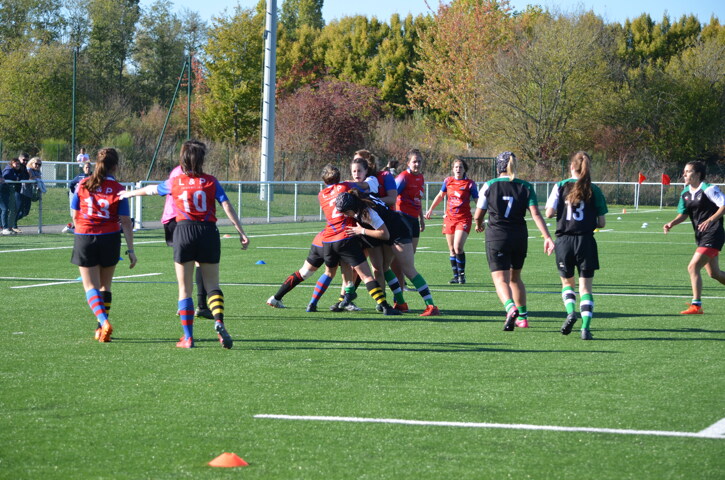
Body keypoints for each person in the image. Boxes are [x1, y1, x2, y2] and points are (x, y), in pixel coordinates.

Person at [120, 140, 249, 349]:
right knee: (213, 285)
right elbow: (226, 205)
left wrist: (130, 193)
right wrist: (241, 232)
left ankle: (188, 338)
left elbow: (152, 190)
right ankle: (219, 322)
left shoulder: (175, 181)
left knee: (184, 289)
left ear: (182, 159)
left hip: (184, 232)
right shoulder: (211, 181)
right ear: (202, 160)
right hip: (208, 232)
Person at [301, 164, 399, 315]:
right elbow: (365, 187)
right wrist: (371, 180)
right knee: (366, 274)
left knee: (332, 272)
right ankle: (385, 306)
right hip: (345, 236)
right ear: (340, 178)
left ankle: (313, 303)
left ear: (324, 181)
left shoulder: (321, 195)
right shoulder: (345, 187)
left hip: (328, 239)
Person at [474, 151, 555, 331]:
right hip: (519, 237)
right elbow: (535, 213)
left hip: (497, 236)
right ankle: (523, 318)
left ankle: (510, 308)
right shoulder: (525, 186)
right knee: (515, 278)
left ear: (498, 167)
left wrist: (478, 225)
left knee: (500, 279)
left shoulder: (489, 185)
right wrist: (547, 237)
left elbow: (479, 214)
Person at [337, 190, 441, 316]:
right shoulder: (359, 201)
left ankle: (431, 306)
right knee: (385, 268)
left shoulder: (366, 213)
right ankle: (401, 304)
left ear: (353, 207)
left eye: (347, 212)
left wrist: (362, 231)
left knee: (408, 270)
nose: (346, 216)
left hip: (398, 231)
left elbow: (384, 234)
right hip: (391, 229)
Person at [71, 148, 137, 342]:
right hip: (109, 238)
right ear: (115, 166)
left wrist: (82, 229)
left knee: (89, 286)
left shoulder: (83, 183)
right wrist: (131, 250)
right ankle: (101, 327)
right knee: (105, 286)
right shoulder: (118, 189)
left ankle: (103, 322)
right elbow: (125, 221)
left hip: (85, 236)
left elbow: (75, 215)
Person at [545, 151, 608, 340]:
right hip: (586, 241)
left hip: (564, 241)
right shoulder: (594, 189)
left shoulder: (560, 186)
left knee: (567, 283)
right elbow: (602, 222)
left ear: (571, 167)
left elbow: (549, 213)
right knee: (586, 288)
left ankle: (571, 312)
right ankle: (585, 329)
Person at [663, 160, 725, 315]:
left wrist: (711, 219)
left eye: (688, 171)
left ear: (698, 174)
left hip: (713, 233)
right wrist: (672, 223)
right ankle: (696, 305)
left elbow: (724, 205)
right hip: (701, 236)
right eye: (684, 171)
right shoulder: (685, 193)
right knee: (714, 274)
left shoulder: (709, 189)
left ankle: (696, 305)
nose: (684, 174)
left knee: (693, 266)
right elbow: (683, 214)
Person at [160, 165, 212, 319]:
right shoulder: (185, 174)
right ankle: (198, 306)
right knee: (195, 263)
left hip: (176, 220)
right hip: (181, 220)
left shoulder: (179, 172)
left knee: (186, 263)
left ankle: (187, 305)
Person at [425, 158, 479, 284]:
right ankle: (456, 276)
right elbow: (440, 196)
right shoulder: (448, 181)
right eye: (456, 167)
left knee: (458, 246)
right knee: (451, 249)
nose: (458, 169)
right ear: (452, 169)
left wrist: (479, 217)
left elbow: (477, 200)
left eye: (460, 167)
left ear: (464, 169)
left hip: (463, 218)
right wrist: (430, 209)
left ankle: (462, 275)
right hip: (449, 218)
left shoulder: (470, 183)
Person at [393, 149, 426, 290]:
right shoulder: (403, 177)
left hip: (414, 220)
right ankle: (401, 283)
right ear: (408, 163)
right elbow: (393, 195)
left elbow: (418, 199)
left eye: (419, 161)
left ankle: (402, 280)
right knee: (403, 256)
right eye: (414, 161)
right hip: (402, 218)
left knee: (410, 254)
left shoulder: (421, 177)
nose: (417, 164)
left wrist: (421, 219)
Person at [65, 162, 93, 233]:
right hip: (81, 198)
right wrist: (75, 193)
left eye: (89, 167)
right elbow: (71, 184)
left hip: (90, 199)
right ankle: (77, 228)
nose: (88, 169)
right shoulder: (79, 176)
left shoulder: (94, 176)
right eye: (86, 167)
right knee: (76, 213)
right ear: (83, 169)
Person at [1, 159, 21, 235]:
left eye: (18, 163)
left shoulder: (15, 170)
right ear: (12, 164)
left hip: (9, 191)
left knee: (12, 209)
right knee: (5, 209)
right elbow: (5, 177)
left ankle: (8, 227)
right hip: (4, 191)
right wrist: (15, 178)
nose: (18, 165)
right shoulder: (8, 170)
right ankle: (4, 228)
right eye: (16, 163)